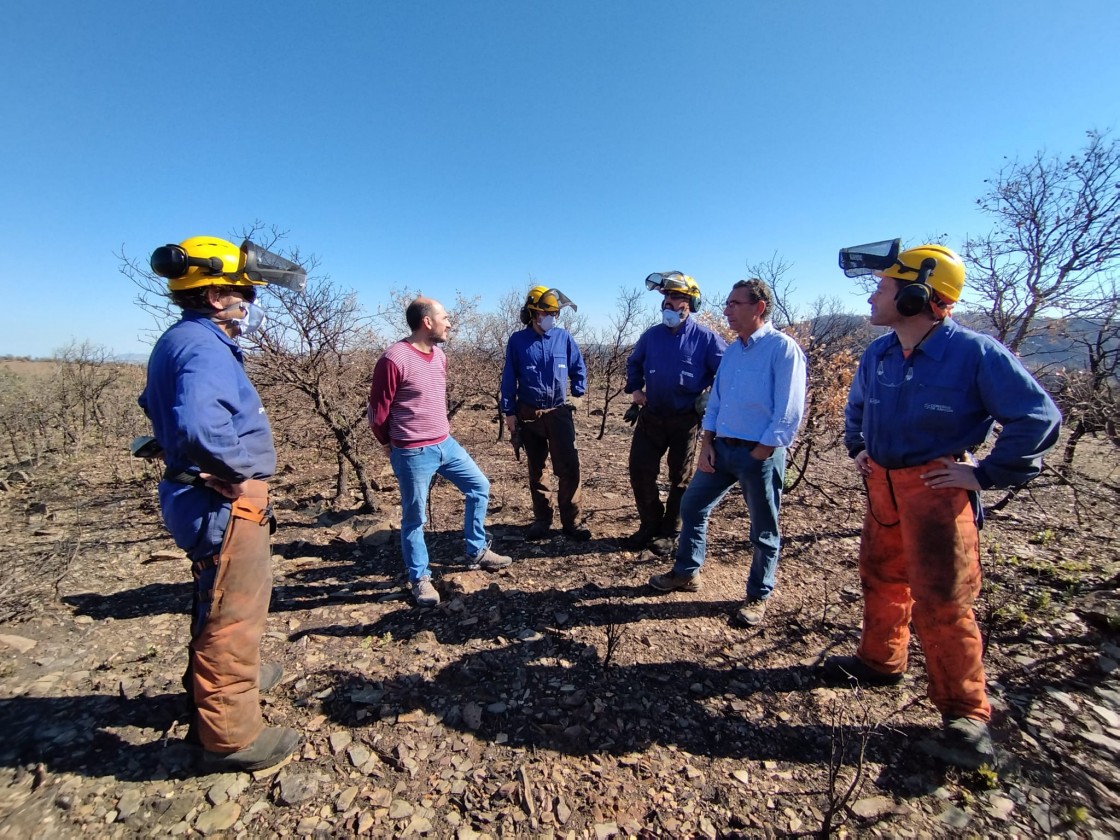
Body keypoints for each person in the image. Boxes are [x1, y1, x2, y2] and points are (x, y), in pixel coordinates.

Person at [827, 240, 1061, 769]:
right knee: (880, 575)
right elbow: (857, 408)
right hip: (882, 487)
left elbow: (1038, 417)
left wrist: (986, 474)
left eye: (883, 288)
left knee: (944, 599)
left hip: (935, 491)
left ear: (916, 296)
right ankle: (880, 661)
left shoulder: (975, 353)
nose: (872, 296)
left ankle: (965, 713)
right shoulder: (879, 352)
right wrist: (858, 447)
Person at [140, 235, 306, 772]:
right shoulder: (205, 346)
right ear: (215, 297)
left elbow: (157, 406)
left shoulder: (181, 339)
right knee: (232, 615)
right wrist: (234, 471)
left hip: (199, 497)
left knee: (216, 600)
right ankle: (230, 737)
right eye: (245, 294)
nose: (250, 305)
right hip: (222, 503)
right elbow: (197, 423)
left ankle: (221, 686)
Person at [648, 279, 807, 628]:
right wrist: (707, 445)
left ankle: (758, 595)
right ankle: (687, 572)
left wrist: (762, 451)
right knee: (692, 506)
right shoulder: (733, 350)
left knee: (764, 529)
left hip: (758, 454)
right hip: (721, 449)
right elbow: (716, 402)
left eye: (735, 304)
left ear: (759, 307)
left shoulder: (783, 349)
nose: (726, 310)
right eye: (727, 303)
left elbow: (789, 411)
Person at [368, 297, 512, 608]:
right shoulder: (394, 359)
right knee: (415, 517)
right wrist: (388, 443)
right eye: (444, 317)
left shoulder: (439, 356)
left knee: (479, 486)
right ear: (427, 322)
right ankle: (420, 578)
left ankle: (476, 551)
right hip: (412, 451)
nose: (449, 323)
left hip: (445, 443)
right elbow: (378, 412)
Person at [624, 272, 726, 555]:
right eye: (667, 301)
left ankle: (671, 531)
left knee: (679, 478)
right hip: (652, 416)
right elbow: (634, 364)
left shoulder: (706, 339)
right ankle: (650, 524)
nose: (670, 305)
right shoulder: (651, 337)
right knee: (639, 470)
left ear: (690, 304)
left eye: (677, 300)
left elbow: (728, 373)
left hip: (685, 420)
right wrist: (635, 390)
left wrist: (710, 395)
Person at [500, 286, 591, 541]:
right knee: (537, 468)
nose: (551, 317)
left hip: (559, 412)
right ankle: (542, 520)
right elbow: (509, 378)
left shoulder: (564, 338)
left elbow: (579, 368)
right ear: (533, 313)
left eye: (554, 312)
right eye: (546, 312)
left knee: (570, 467)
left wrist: (579, 394)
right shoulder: (517, 341)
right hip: (529, 413)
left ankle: (572, 522)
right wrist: (509, 412)